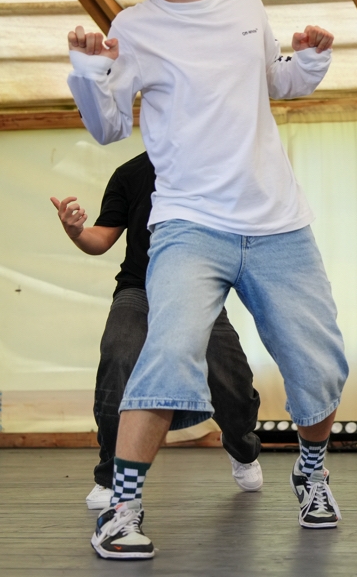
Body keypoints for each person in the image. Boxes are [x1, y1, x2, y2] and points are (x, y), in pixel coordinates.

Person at [66, 0, 350, 560]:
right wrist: (89, 69)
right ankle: (121, 510)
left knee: (319, 365)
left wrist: (309, 59)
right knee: (166, 353)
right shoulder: (134, 27)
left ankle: (312, 475)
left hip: (278, 223)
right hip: (189, 223)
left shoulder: (246, 4)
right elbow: (108, 127)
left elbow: (274, 82)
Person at [50, 152, 263, 512]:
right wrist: (76, 232)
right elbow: (101, 238)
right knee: (118, 356)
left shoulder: (214, 164)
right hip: (139, 289)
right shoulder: (130, 173)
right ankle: (110, 476)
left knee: (231, 377)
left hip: (195, 290)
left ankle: (242, 448)